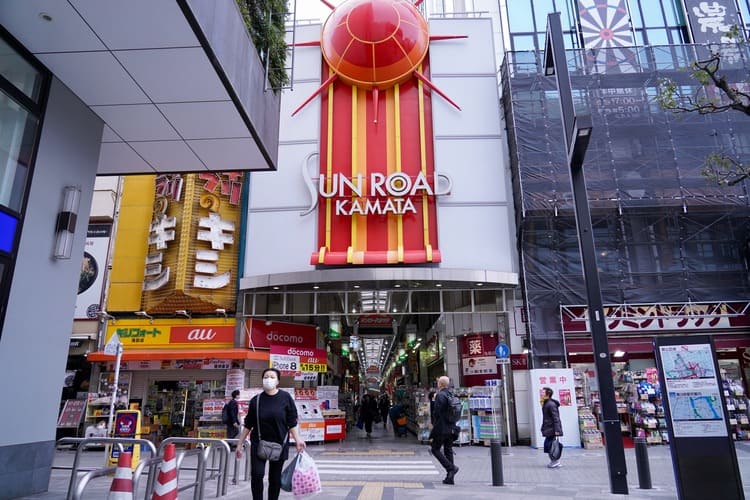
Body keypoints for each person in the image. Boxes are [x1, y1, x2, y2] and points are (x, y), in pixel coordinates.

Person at [236, 368, 306, 500]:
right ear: (262, 380)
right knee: (257, 474)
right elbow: (248, 424)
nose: (269, 379)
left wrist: (298, 440)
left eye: (272, 377)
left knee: (275, 478)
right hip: (258, 443)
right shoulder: (256, 400)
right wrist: (239, 444)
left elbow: (292, 421)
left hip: (280, 443)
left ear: (278, 381)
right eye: (266, 377)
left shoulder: (286, 398)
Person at [430, 376, 459, 484]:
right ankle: (450, 477)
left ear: (440, 384)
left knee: (435, 449)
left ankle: (451, 468)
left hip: (442, 427)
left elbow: (436, 413)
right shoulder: (451, 394)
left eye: (438, 382)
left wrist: (433, 402)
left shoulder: (440, 395)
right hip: (452, 427)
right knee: (448, 450)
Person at [540, 386, 563, 468]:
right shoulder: (546, 403)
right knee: (549, 445)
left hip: (552, 429)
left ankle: (555, 461)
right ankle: (554, 461)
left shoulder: (551, 404)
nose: (541, 394)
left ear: (548, 394)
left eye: (543, 392)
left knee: (550, 445)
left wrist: (557, 430)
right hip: (549, 428)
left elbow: (556, 418)